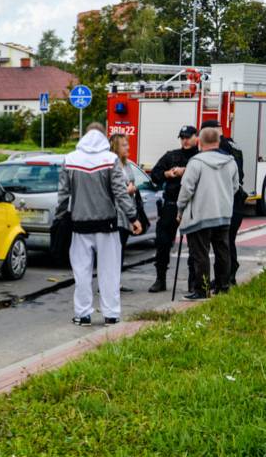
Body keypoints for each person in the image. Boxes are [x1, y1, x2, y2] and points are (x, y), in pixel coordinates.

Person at [56, 124, 141, 326]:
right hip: (107, 226)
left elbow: (63, 194)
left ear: (84, 135)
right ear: (103, 136)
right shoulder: (110, 160)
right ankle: (111, 315)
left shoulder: (70, 159)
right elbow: (120, 192)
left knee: (81, 272)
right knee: (109, 271)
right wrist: (133, 217)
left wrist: (58, 218)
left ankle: (82, 314)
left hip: (80, 225)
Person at [176, 126, 239, 299]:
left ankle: (202, 291)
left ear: (200, 142)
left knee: (200, 254)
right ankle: (223, 287)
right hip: (223, 214)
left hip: (200, 216)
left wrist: (180, 209)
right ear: (218, 141)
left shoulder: (196, 162)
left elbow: (186, 189)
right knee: (222, 251)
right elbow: (234, 187)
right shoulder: (231, 162)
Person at [147, 125, 199, 293]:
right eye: (182, 137)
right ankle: (160, 279)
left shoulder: (200, 157)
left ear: (196, 137)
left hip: (192, 205)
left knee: (195, 245)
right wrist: (167, 174)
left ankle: (193, 282)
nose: (185, 140)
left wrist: (186, 172)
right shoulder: (171, 156)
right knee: (162, 242)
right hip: (171, 205)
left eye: (188, 137)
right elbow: (155, 174)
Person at [200, 120, 245, 286]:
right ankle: (226, 276)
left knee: (223, 243)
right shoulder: (233, 144)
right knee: (227, 241)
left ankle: (225, 278)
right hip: (236, 199)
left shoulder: (221, 148)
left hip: (227, 200)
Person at [109, 133, 137, 293]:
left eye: (127, 144)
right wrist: (128, 190)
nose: (128, 147)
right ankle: (108, 284)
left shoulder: (126, 164)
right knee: (113, 251)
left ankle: (116, 282)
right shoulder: (111, 165)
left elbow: (131, 182)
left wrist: (132, 188)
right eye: (124, 145)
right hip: (115, 214)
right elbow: (112, 191)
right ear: (115, 147)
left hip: (126, 213)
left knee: (120, 250)